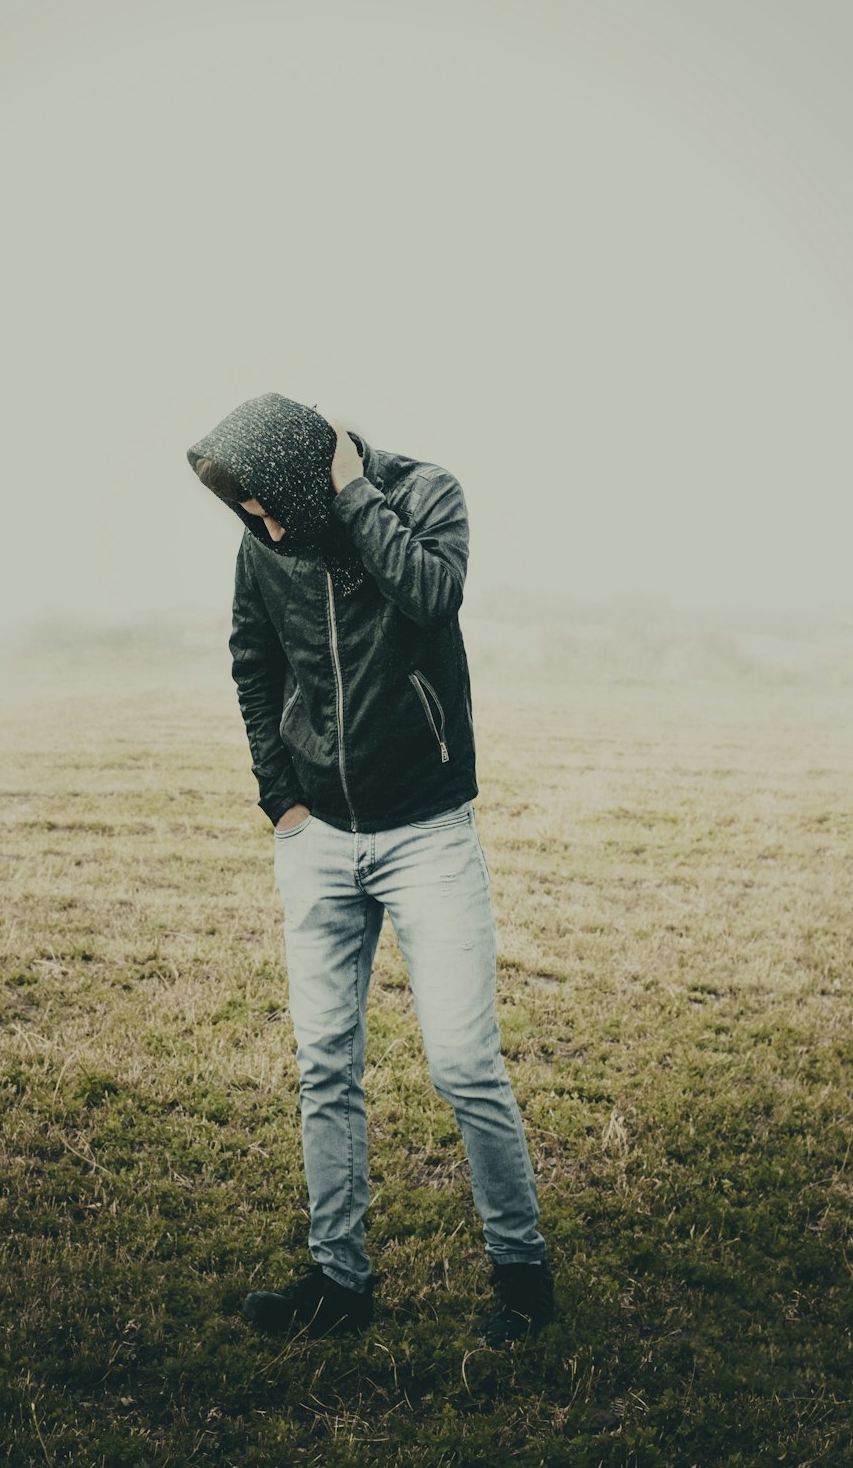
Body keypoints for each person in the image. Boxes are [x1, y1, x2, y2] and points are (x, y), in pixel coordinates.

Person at [186, 392, 555, 1345]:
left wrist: (353, 498)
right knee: (324, 1067)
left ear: (311, 469)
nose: (262, 522)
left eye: (271, 499)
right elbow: (253, 661)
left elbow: (433, 593)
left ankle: (522, 1276)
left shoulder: (425, 493)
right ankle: (338, 1282)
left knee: (466, 1063)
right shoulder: (263, 540)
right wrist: (283, 800)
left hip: (427, 832)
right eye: (245, 509)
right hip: (320, 841)